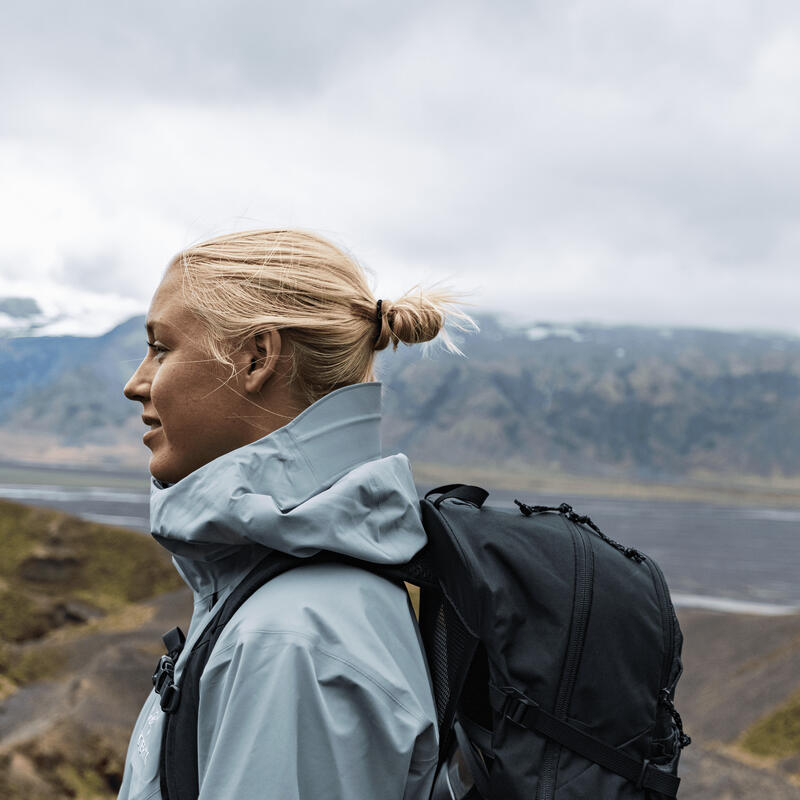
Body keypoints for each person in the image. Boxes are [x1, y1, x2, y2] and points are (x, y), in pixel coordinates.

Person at [118, 228, 476, 800]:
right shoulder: (278, 601)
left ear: (257, 357)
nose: (136, 383)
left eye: (161, 348)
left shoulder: (291, 640)